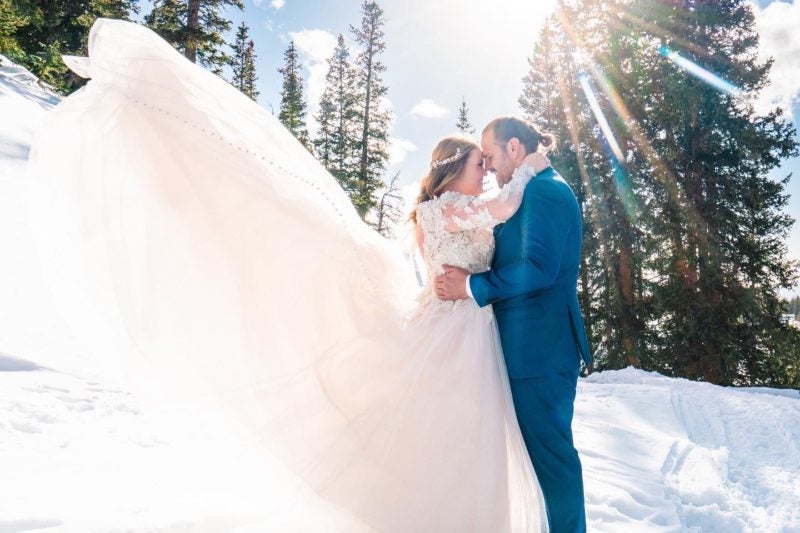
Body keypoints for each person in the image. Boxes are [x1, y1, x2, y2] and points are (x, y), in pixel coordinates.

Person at [28, 18, 556, 531]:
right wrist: (532, 162)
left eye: (487, 164)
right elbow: (505, 207)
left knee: (461, 439)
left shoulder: (446, 210)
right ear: (450, 169)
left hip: (464, 324)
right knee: (448, 436)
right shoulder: (445, 210)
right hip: (451, 330)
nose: (486, 170)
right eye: (478, 163)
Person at [436, 117, 593, 533]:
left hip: (540, 353)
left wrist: (470, 285)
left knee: (552, 460)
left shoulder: (547, 192)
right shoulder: (530, 190)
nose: (488, 168)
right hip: (522, 351)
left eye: (489, 156)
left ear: (513, 150)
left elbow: (538, 268)